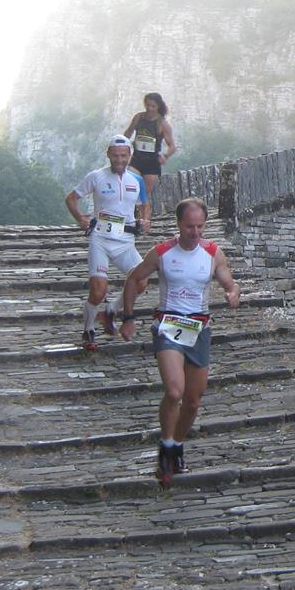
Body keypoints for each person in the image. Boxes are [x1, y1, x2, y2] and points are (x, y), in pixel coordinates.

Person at [120, 197, 240, 485]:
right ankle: (165, 446)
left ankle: (177, 445)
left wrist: (233, 294)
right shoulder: (162, 252)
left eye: (200, 226)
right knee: (175, 392)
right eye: (189, 227)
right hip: (168, 326)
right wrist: (128, 317)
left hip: (198, 329)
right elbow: (133, 279)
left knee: (193, 401)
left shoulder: (213, 253)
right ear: (178, 224)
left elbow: (230, 282)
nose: (195, 232)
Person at [65, 135, 151, 351]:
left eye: (123, 156)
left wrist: (145, 219)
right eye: (115, 156)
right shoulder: (96, 177)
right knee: (98, 291)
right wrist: (80, 218)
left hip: (126, 241)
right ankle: (88, 330)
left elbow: (144, 204)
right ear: (108, 155)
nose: (119, 160)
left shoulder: (136, 180)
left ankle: (111, 311)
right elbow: (71, 198)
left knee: (141, 281)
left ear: (129, 155)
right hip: (101, 239)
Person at [122, 92, 177, 198]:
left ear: (158, 106)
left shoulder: (162, 124)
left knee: (145, 193)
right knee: (129, 186)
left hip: (152, 162)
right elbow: (128, 132)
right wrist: (121, 144)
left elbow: (172, 146)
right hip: (137, 159)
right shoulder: (138, 117)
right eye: (147, 105)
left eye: (153, 106)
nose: (149, 108)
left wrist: (165, 156)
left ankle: (143, 207)